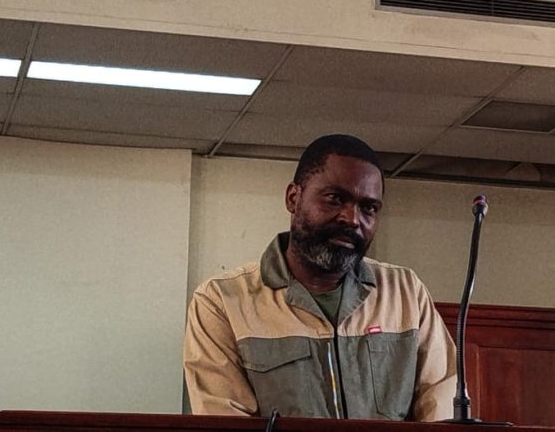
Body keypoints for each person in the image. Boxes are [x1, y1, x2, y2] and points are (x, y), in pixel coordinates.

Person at [183, 134, 457, 421]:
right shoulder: (223, 302)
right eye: (335, 199)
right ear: (293, 198)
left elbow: (442, 410)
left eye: (369, 208)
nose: (352, 219)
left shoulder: (405, 292)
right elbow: (224, 424)